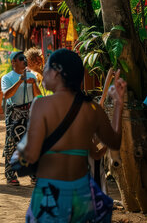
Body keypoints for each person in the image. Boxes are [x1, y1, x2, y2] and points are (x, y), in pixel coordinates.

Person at [19, 49, 125, 222]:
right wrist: (118, 104)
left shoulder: (41, 105)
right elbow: (112, 142)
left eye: (46, 68)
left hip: (50, 194)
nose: (43, 72)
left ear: (57, 73)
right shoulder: (91, 110)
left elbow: (31, 152)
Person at [1, 51, 41, 185]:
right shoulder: (7, 78)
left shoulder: (32, 76)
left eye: (24, 58)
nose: (24, 60)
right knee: (12, 144)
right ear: (13, 62)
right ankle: (10, 174)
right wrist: (19, 81)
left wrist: (34, 84)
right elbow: (6, 95)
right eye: (20, 59)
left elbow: (38, 96)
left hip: (30, 112)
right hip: (14, 114)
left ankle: (34, 174)